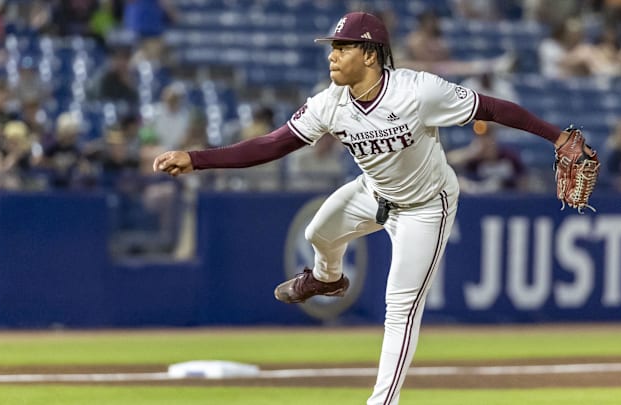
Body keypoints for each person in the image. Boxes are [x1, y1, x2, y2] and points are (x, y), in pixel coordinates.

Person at [152, 12, 595, 405]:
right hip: (374, 191)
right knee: (317, 234)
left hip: (427, 205)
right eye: (333, 47)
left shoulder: (419, 91)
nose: (332, 55)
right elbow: (273, 143)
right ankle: (327, 279)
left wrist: (557, 138)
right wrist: (198, 158)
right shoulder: (331, 102)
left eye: (342, 47)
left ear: (369, 54)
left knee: (400, 309)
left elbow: (493, 108)